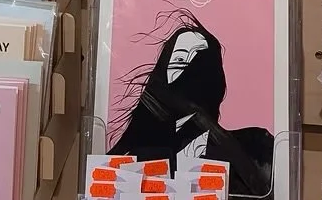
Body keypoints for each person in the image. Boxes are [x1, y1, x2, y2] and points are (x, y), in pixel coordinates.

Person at [108, 13, 274, 198]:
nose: (188, 70)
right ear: (165, 70)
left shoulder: (254, 144)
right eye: (179, 60)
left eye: (198, 61)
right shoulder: (134, 153)